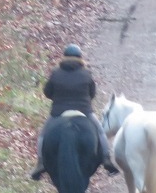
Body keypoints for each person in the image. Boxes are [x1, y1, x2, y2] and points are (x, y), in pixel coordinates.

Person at [30, 44, 120, 181]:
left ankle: (40, 163)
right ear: (80, 58)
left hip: (58, 112)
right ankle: (106, 159)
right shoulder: (86, 73)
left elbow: (47, 92)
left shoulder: (56, 73)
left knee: (43, 134)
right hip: (84, 111)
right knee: (100, 131)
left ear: (64, 57)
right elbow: (92, 94)